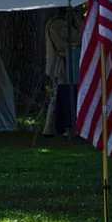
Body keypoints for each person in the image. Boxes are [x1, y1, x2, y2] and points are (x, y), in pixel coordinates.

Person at [43, 8, 82, 138]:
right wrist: (78, 24)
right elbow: (78, 37)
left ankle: (51, 128)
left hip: (56, 65)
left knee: (57, 96)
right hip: (62, 66)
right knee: (61, 97)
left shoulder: (52, 23)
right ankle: (60, 128)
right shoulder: (60, 25)